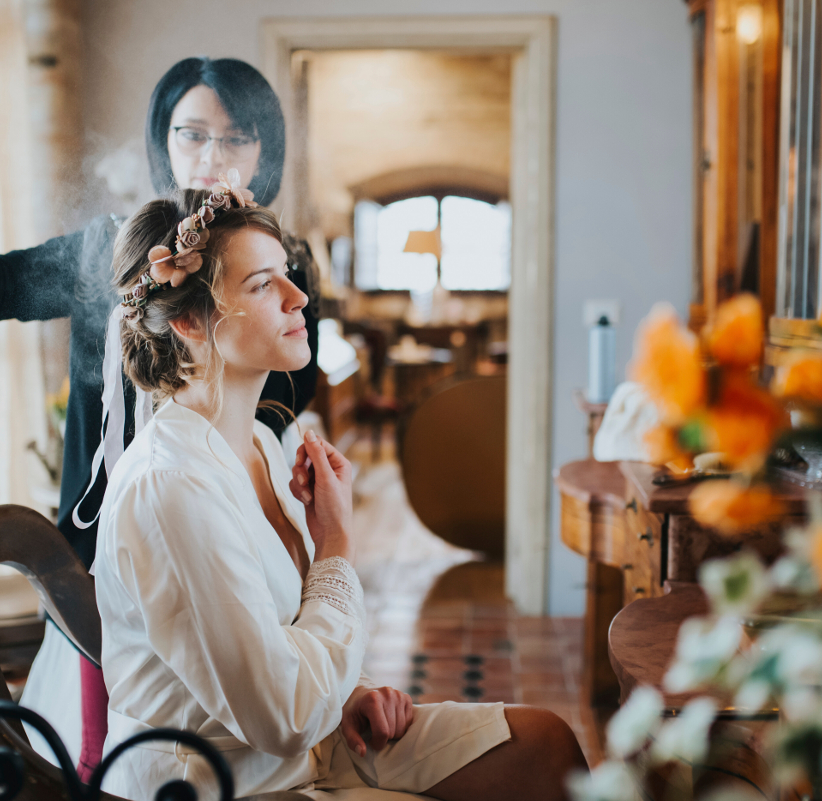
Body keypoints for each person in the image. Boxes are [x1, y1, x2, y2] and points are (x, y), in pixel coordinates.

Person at [0, 57, 317, 778]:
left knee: (241, 731)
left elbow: (289, 395)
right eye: (193, 135)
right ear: (164, 142)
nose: (214, 157)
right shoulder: (111, 249)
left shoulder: (284, 263)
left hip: (231, 545)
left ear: (263, 148)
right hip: (99, 559)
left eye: (236, 138)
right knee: (113, 745)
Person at [94, 183, 588, 800]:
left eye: (288, 275)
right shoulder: (170, 489)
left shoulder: (260, 444)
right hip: (226, 779)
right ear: (191, 321)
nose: (299, 297)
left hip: (315, 745)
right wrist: (337, 543)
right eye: (263, 285)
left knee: (546, 747)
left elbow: (287, 636)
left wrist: (354, 692)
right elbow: (285, 716)